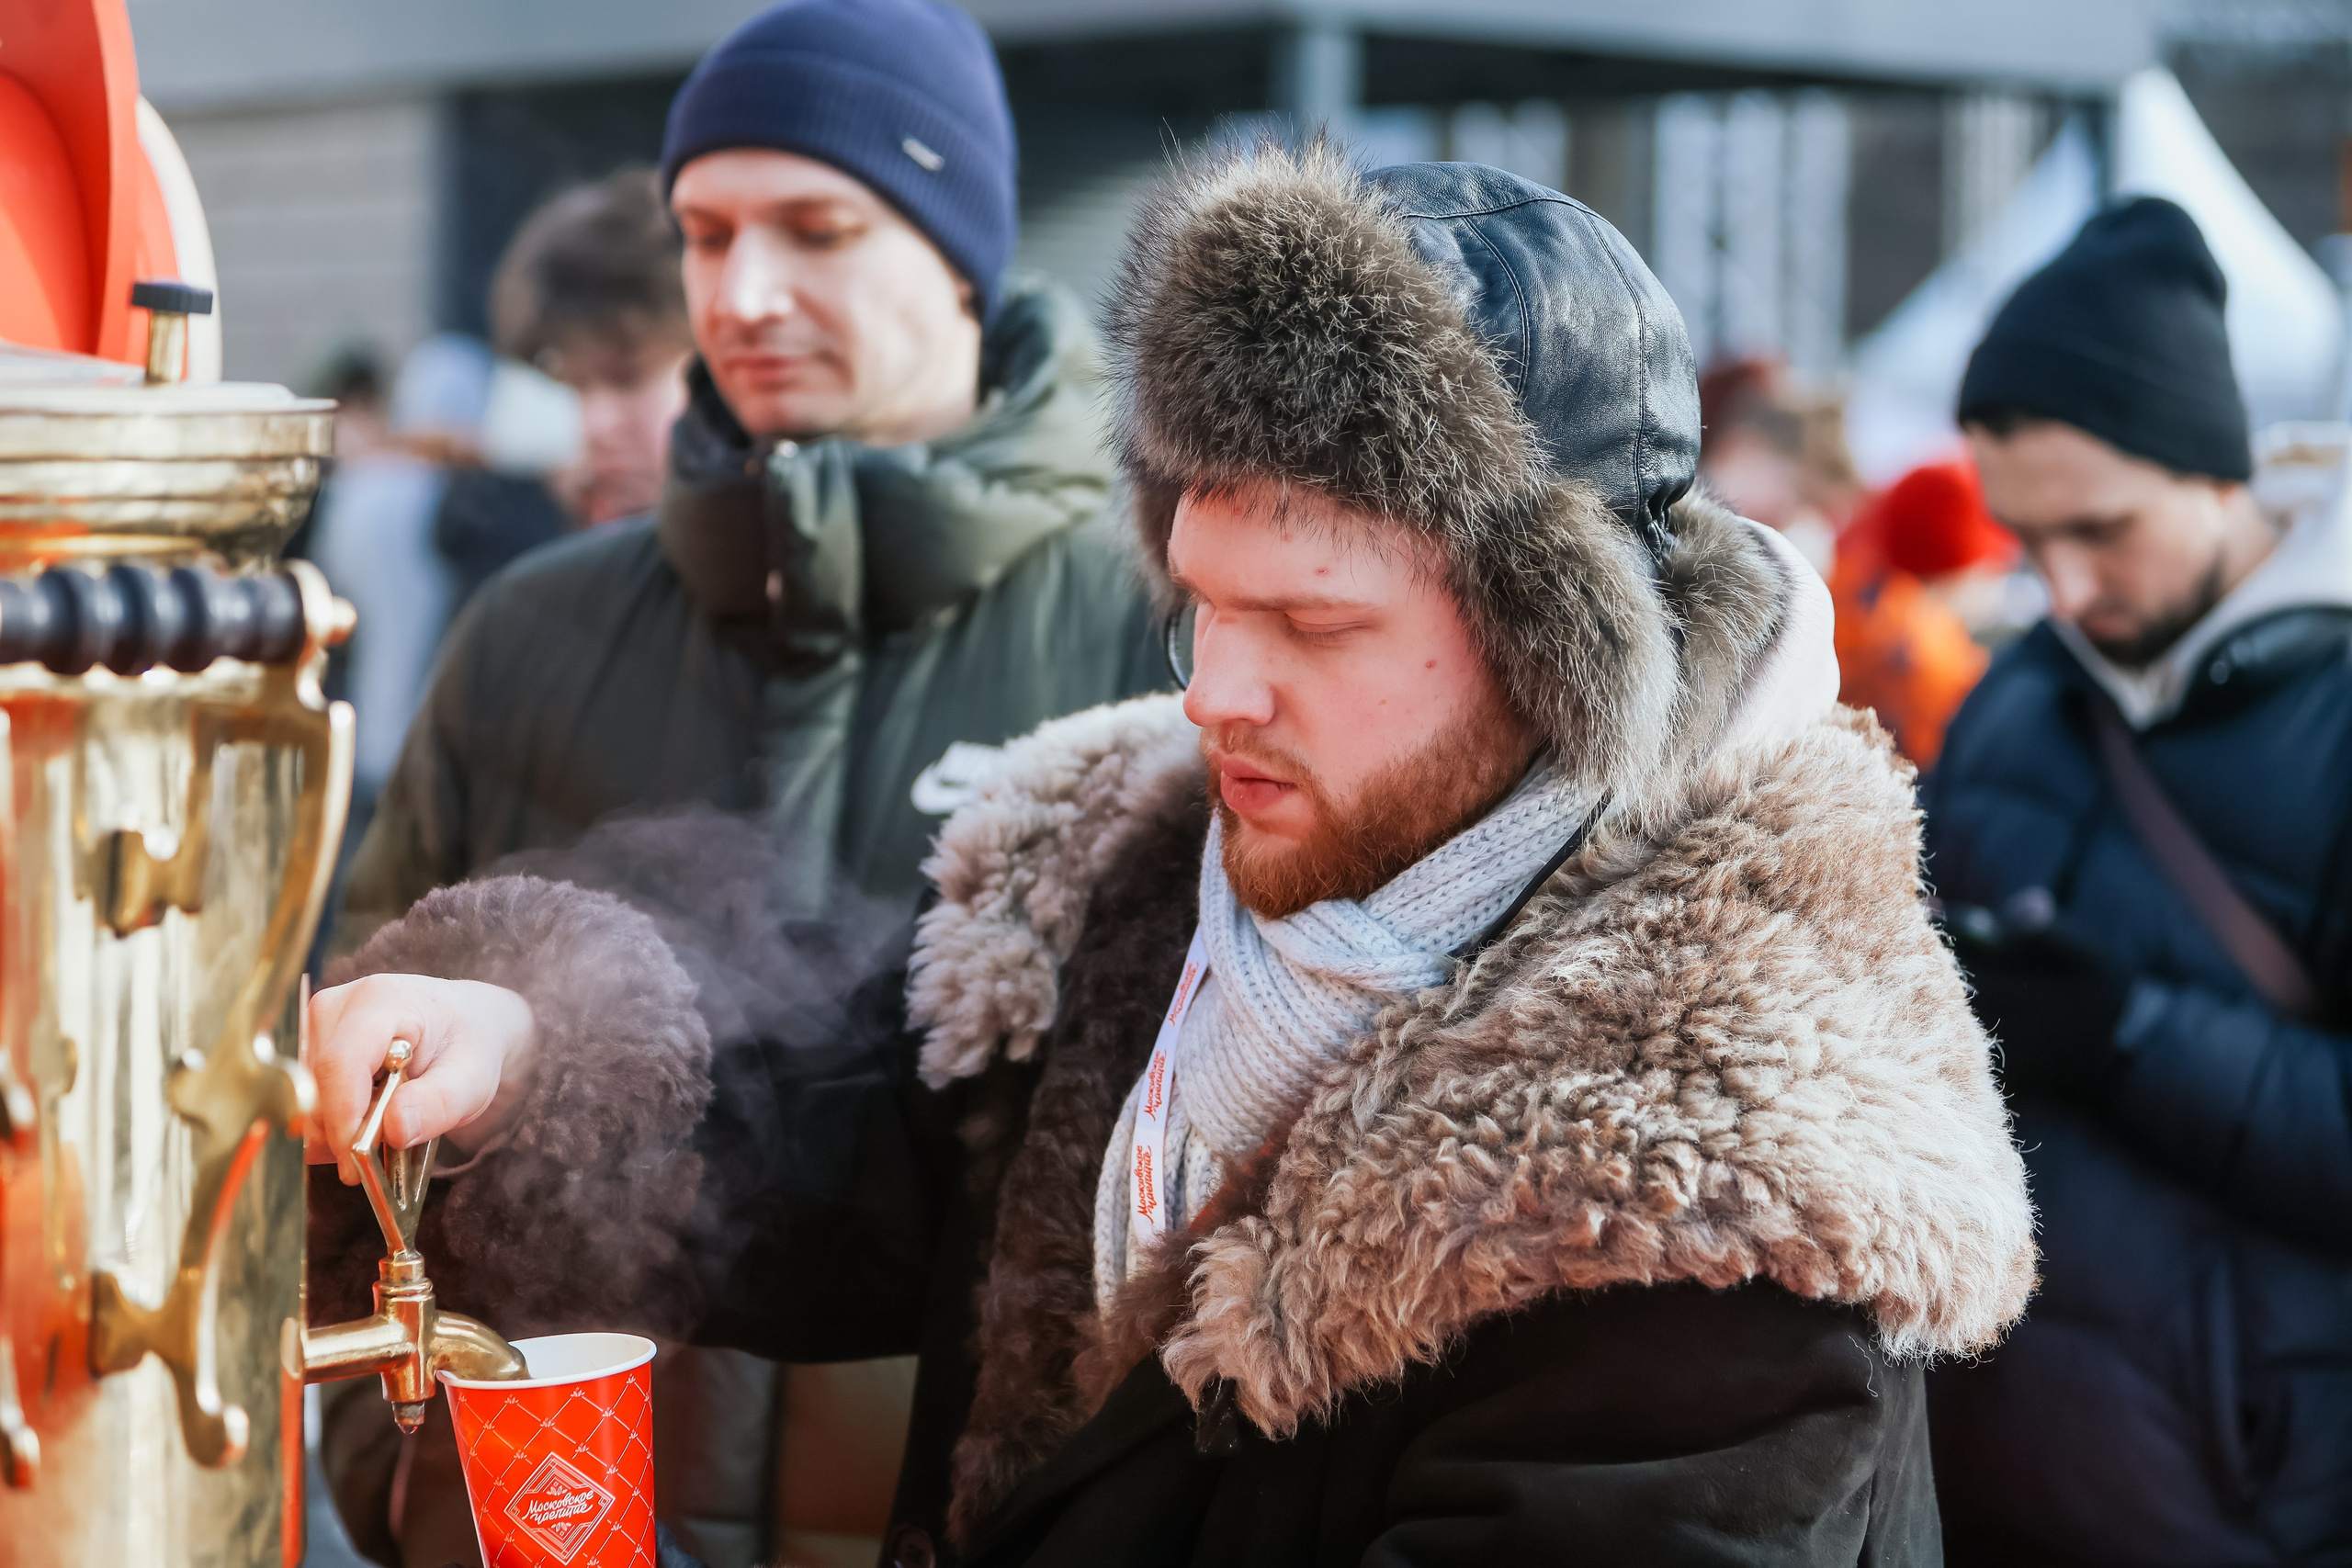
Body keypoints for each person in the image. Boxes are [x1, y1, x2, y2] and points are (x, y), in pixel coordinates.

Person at [306, 144, 2033, 1567]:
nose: (1211, 690)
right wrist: (523, 1052)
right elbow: (833, 1145)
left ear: (1551, 646)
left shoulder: (1727, 1203)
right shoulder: (1126, 864)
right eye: (1202, 599)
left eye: (1310, 620)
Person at [315, 3, 1168, 1564]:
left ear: (961, 249)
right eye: (703, 234)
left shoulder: (1164, 626)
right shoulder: (532, 629)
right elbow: (357, 1049)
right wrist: (397, 1462)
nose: (746, 291)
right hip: (528, 1523)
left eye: (819, 228)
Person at [1925, 197, 2352, 1563]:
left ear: (2214, 467)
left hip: (2253, 1498)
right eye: (2022, 535)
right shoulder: (2012, 696)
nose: (2061, 580)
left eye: (2100, 529)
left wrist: (2128, 1033)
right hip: (1977, 1463)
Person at [1829, 458, 2021, 769]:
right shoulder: (1932, 660)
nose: (2002, 575)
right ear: (1963, 566)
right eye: (1996, 560)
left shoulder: (1844, 592)